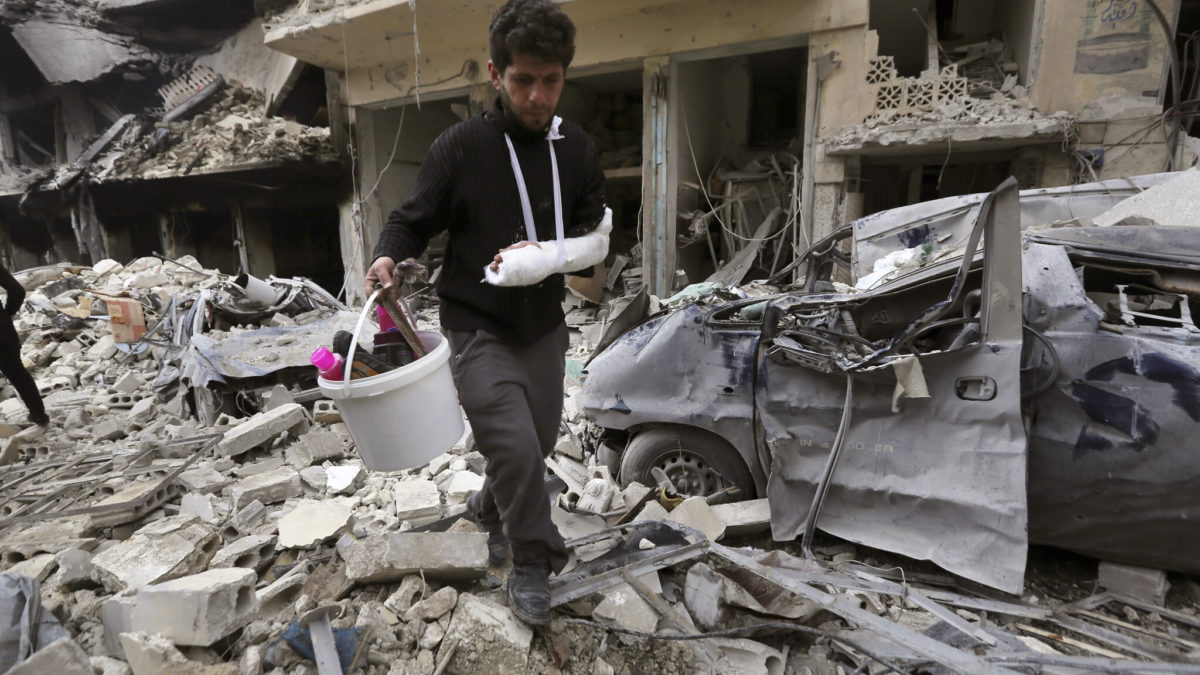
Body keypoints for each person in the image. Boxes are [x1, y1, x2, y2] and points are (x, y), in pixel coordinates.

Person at [363, 0, 607, 626]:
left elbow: (592, 234)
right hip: (476, 326)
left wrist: (569, 253)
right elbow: (409, 220)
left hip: (545, 326)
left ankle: (491, 510)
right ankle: (530, 561)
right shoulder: (461, 147)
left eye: (550, 80)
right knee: (518, 450)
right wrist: (389, 258)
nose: (536, 95)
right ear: (497, 75)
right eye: (522, 79)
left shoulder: (575, 149)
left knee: (541, 440)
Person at [0, 263, 48, 427]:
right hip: (2, 328)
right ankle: (39, 415)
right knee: (16, 371)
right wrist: (8, 313)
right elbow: (17, 291)